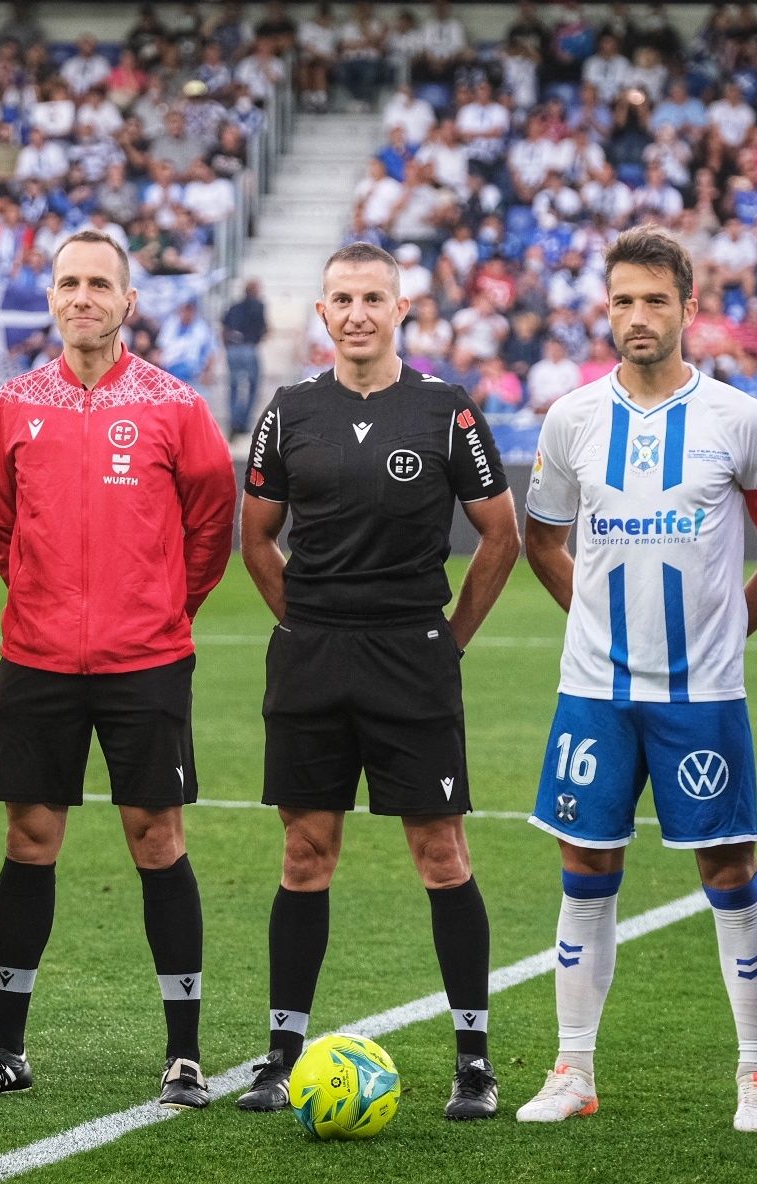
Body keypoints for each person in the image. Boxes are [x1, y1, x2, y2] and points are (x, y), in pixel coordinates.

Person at [0, 229, 236, 1109]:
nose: (82, 298)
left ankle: (184, 1055)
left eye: (98, 284)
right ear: (52, 298)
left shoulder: (174, 404)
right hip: (36, 661)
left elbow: (212, 522)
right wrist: (38, 597)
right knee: (28, 841)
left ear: (128, 302)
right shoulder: (15, 404)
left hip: (146, 661)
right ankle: (4, 1048)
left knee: (157, 841)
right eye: (67, 283)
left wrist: (163, 609)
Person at [517, 226, 757, 1133]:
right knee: (585, 870)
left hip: (702, 696)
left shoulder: (740, 420)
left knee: (729, 867)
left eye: (655, 300)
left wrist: (731, 628)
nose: (637, 317)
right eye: (623, 300)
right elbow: (542, 538)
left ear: (688, 308)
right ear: (607, 307)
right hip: (594, 691)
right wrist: (593, 624)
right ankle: (572, 1069)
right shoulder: (572, 419)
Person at [236, 241, 521, 1120]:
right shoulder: (288, 412)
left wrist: (449, 641)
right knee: (303, 854)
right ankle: (282, 1054)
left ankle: (474, 1062)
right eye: (341, 299)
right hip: (314, 660)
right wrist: (305, 624)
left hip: (412, 659)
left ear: (402, 310)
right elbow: (256, 537)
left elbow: (500, 536)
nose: (356, 312)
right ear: (321, 314)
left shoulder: (446, 411)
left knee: (442, 856)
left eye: (373, 298)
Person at [221, 279, 268, 435]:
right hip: (249, 348)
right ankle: (244, 423)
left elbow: (224, 329)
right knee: (252, 387)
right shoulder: (259, 306)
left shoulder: (233, 307)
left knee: (234, 387)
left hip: (233, 349)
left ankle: (235, 420)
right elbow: (263, 328)